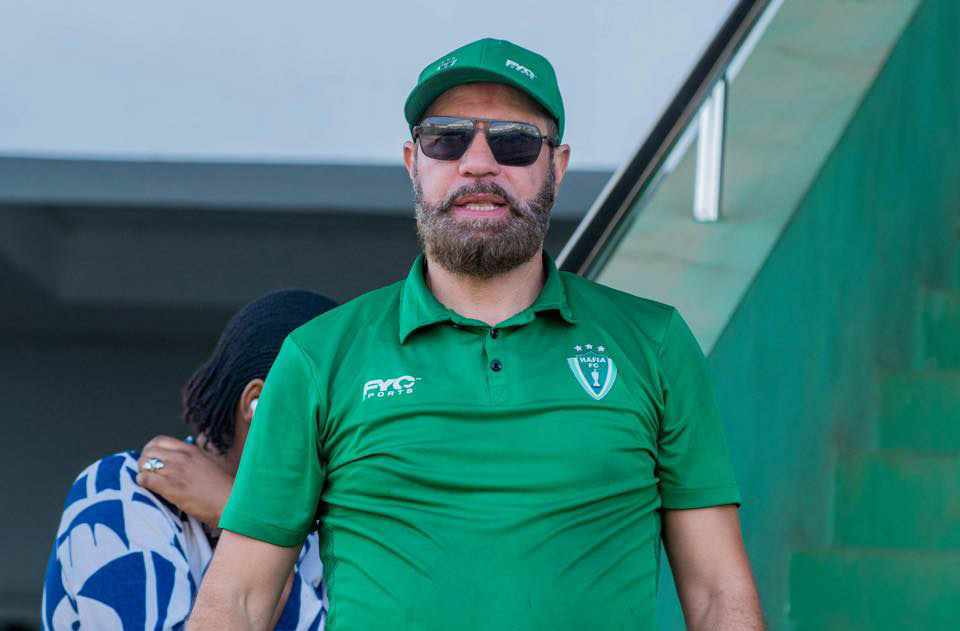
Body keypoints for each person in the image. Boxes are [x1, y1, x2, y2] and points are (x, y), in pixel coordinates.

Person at [190, 38, 764, 631]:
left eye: (515, 141)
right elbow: (238, 599)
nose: (479, 163)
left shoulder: (655, 344)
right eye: (447, 138)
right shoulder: (319, 357)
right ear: (414, 162)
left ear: (557, 167)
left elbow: (718, 595)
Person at [42, 290, 337, 631]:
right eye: (338, 426)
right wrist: (258, 542)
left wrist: (234, 514)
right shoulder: (122, 494)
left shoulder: (322, 532)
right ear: (258, 406)